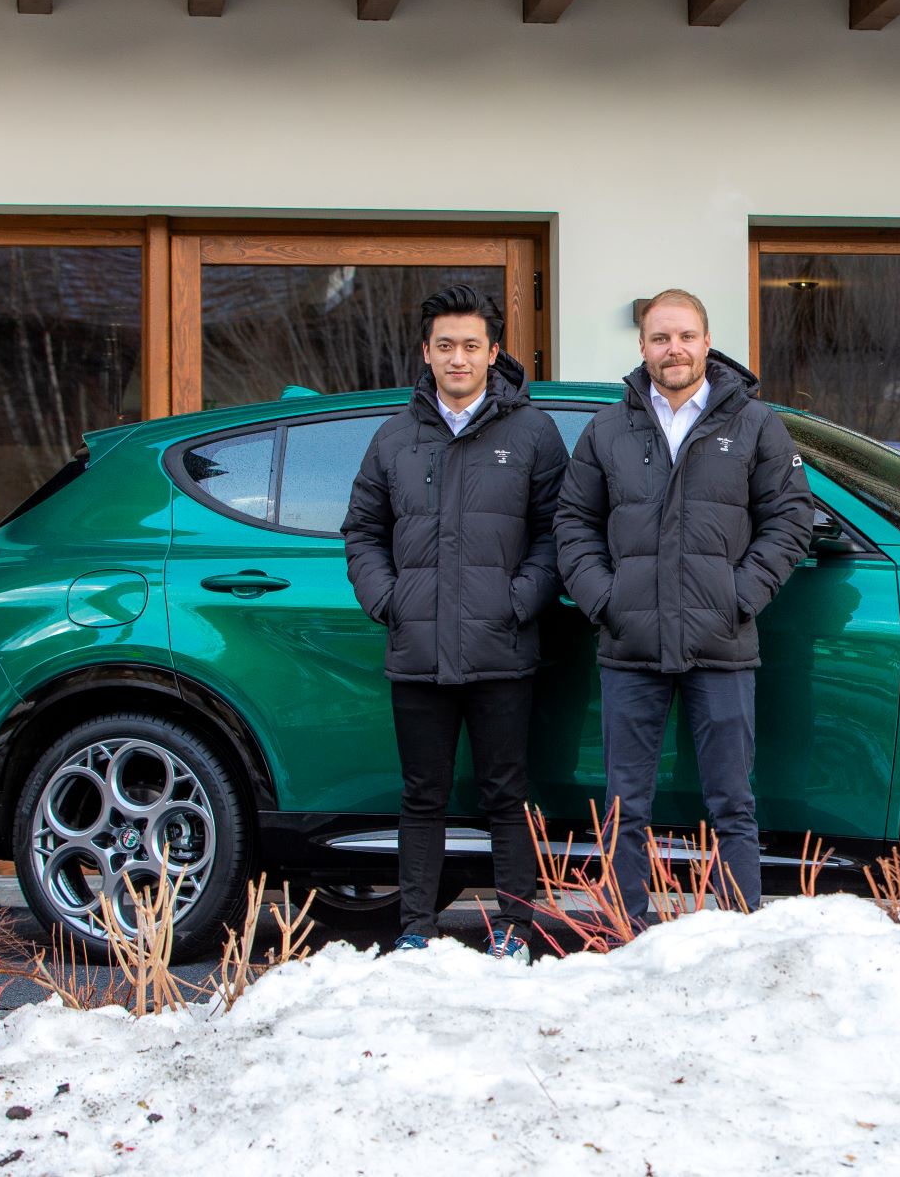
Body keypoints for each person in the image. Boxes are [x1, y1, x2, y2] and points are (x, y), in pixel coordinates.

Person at [554, 288, 813, 927]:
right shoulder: (608, 428)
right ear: (642, 347)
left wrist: (741, 595)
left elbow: (790, 518)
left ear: (706, 341)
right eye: (660, 338)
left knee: (732, 802)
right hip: (630, 644)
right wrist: (604, 599)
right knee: (625, 805)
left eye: (686, 336)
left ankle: (737, 935)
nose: (674, 349)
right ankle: (624, 929)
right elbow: (571, 522)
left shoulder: (755, 425)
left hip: (722, 644)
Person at [342, 283, 567, 962]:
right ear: (426, 352)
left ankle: (517, 930)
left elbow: (556, 532)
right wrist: (391, 601)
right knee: (422, 795)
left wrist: (517, 601)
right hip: (416, 649)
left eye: (472, 346)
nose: (458, 358)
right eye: (446, 346)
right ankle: (413, 929)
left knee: (507, 793)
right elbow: (361, 531)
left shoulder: (532, 432)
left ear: (493, 352)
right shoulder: (394, 437)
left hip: (501, 649)